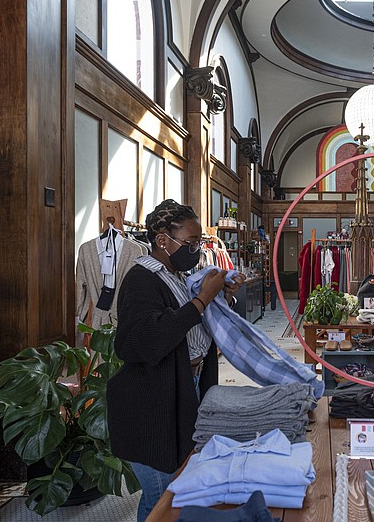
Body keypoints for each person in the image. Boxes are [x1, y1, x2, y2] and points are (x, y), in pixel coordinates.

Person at [106, 199, 243, 521]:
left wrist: (220, 297)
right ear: (163, 240)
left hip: (180, 390)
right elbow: (145, 341)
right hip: (149, 405)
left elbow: (195, 328)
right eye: (190, 242)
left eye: (199, 243)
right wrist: (201, 300)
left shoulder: (179, 276)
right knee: (161, 495)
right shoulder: (142, 279)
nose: (196, 250)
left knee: (178, 483)